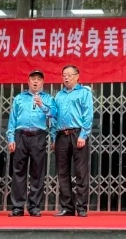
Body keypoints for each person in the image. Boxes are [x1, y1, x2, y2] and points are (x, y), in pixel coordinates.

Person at [7, 69, 56, 217]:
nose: (35, 81)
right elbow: (12, 119)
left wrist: (42, 105)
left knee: (37, 172)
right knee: (18, 172)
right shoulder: (19, 98)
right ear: (28, 81)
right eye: (33, 79)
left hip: (38, 136)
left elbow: (54, 115)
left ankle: (34, 206)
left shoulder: (48, 98)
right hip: (20, 135)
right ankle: (17, 207)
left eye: (38, 79)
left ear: (42, 82)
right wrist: (11, 138)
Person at [51, 65, 93, 217]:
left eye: (69, 75)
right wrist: (53, 137)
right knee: (62, 172)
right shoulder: (59, 95)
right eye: (64, 75)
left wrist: (83, 135)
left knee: (81, 172)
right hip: (61, 135)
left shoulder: (84, 93)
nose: (66, 78)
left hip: (77, 134)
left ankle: (81, 207)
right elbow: (54, 117)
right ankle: (67, 207)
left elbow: (88, 114)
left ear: (77, 76)